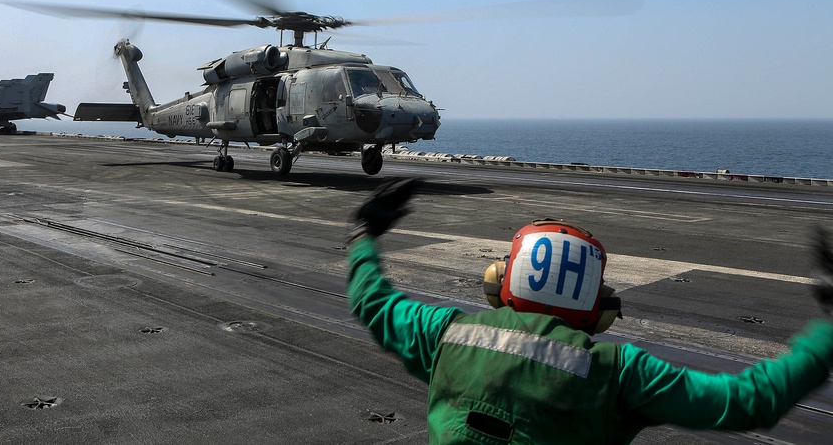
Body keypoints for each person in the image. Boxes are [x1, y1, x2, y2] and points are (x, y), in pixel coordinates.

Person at [346, 178, 833, 444]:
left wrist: (366, 236)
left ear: (501, 282)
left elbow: (373, 300)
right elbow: (752, 400)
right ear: (596, 308)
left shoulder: (445, 333)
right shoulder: (620, 374)